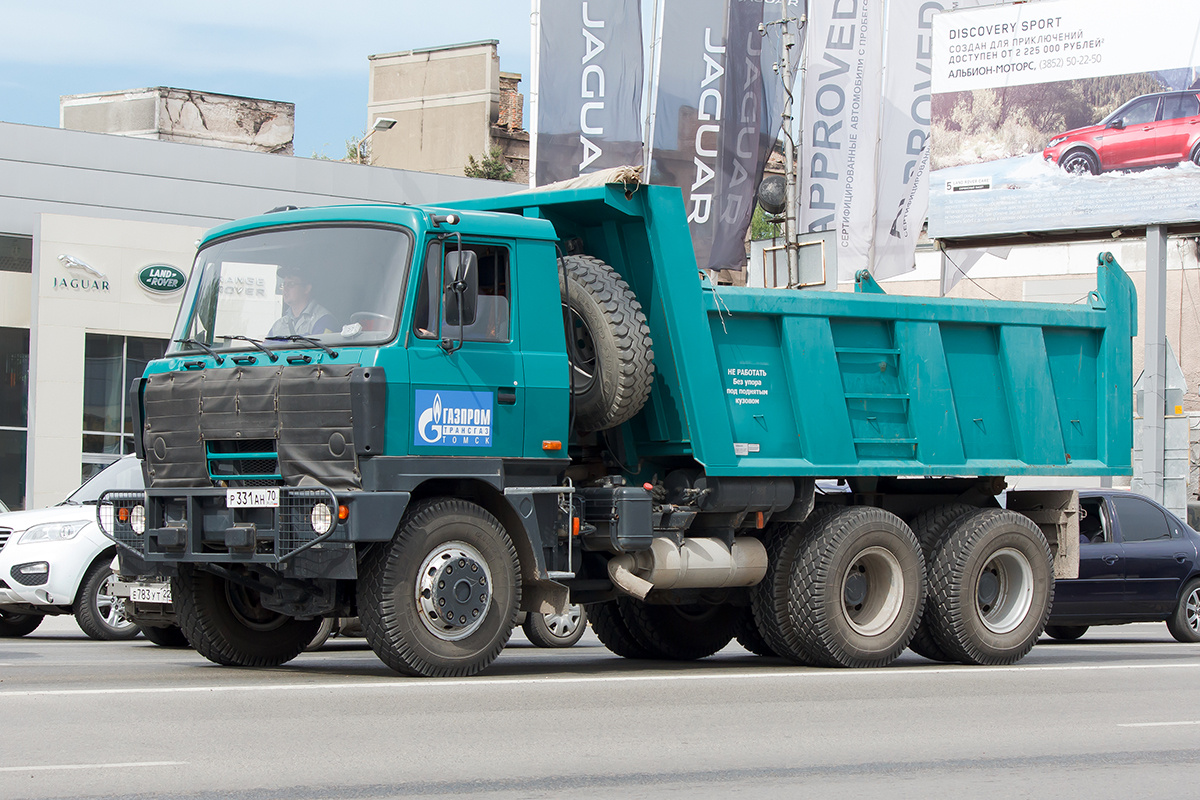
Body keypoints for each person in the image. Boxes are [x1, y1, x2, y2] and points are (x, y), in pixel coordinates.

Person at [267, 265, 337, 338]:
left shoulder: (323, 320)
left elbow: (319, 349)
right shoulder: (279, 325)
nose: (285, 289)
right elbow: (265, 347)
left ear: (307, 288)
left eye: (291, 284)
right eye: (284, 284)